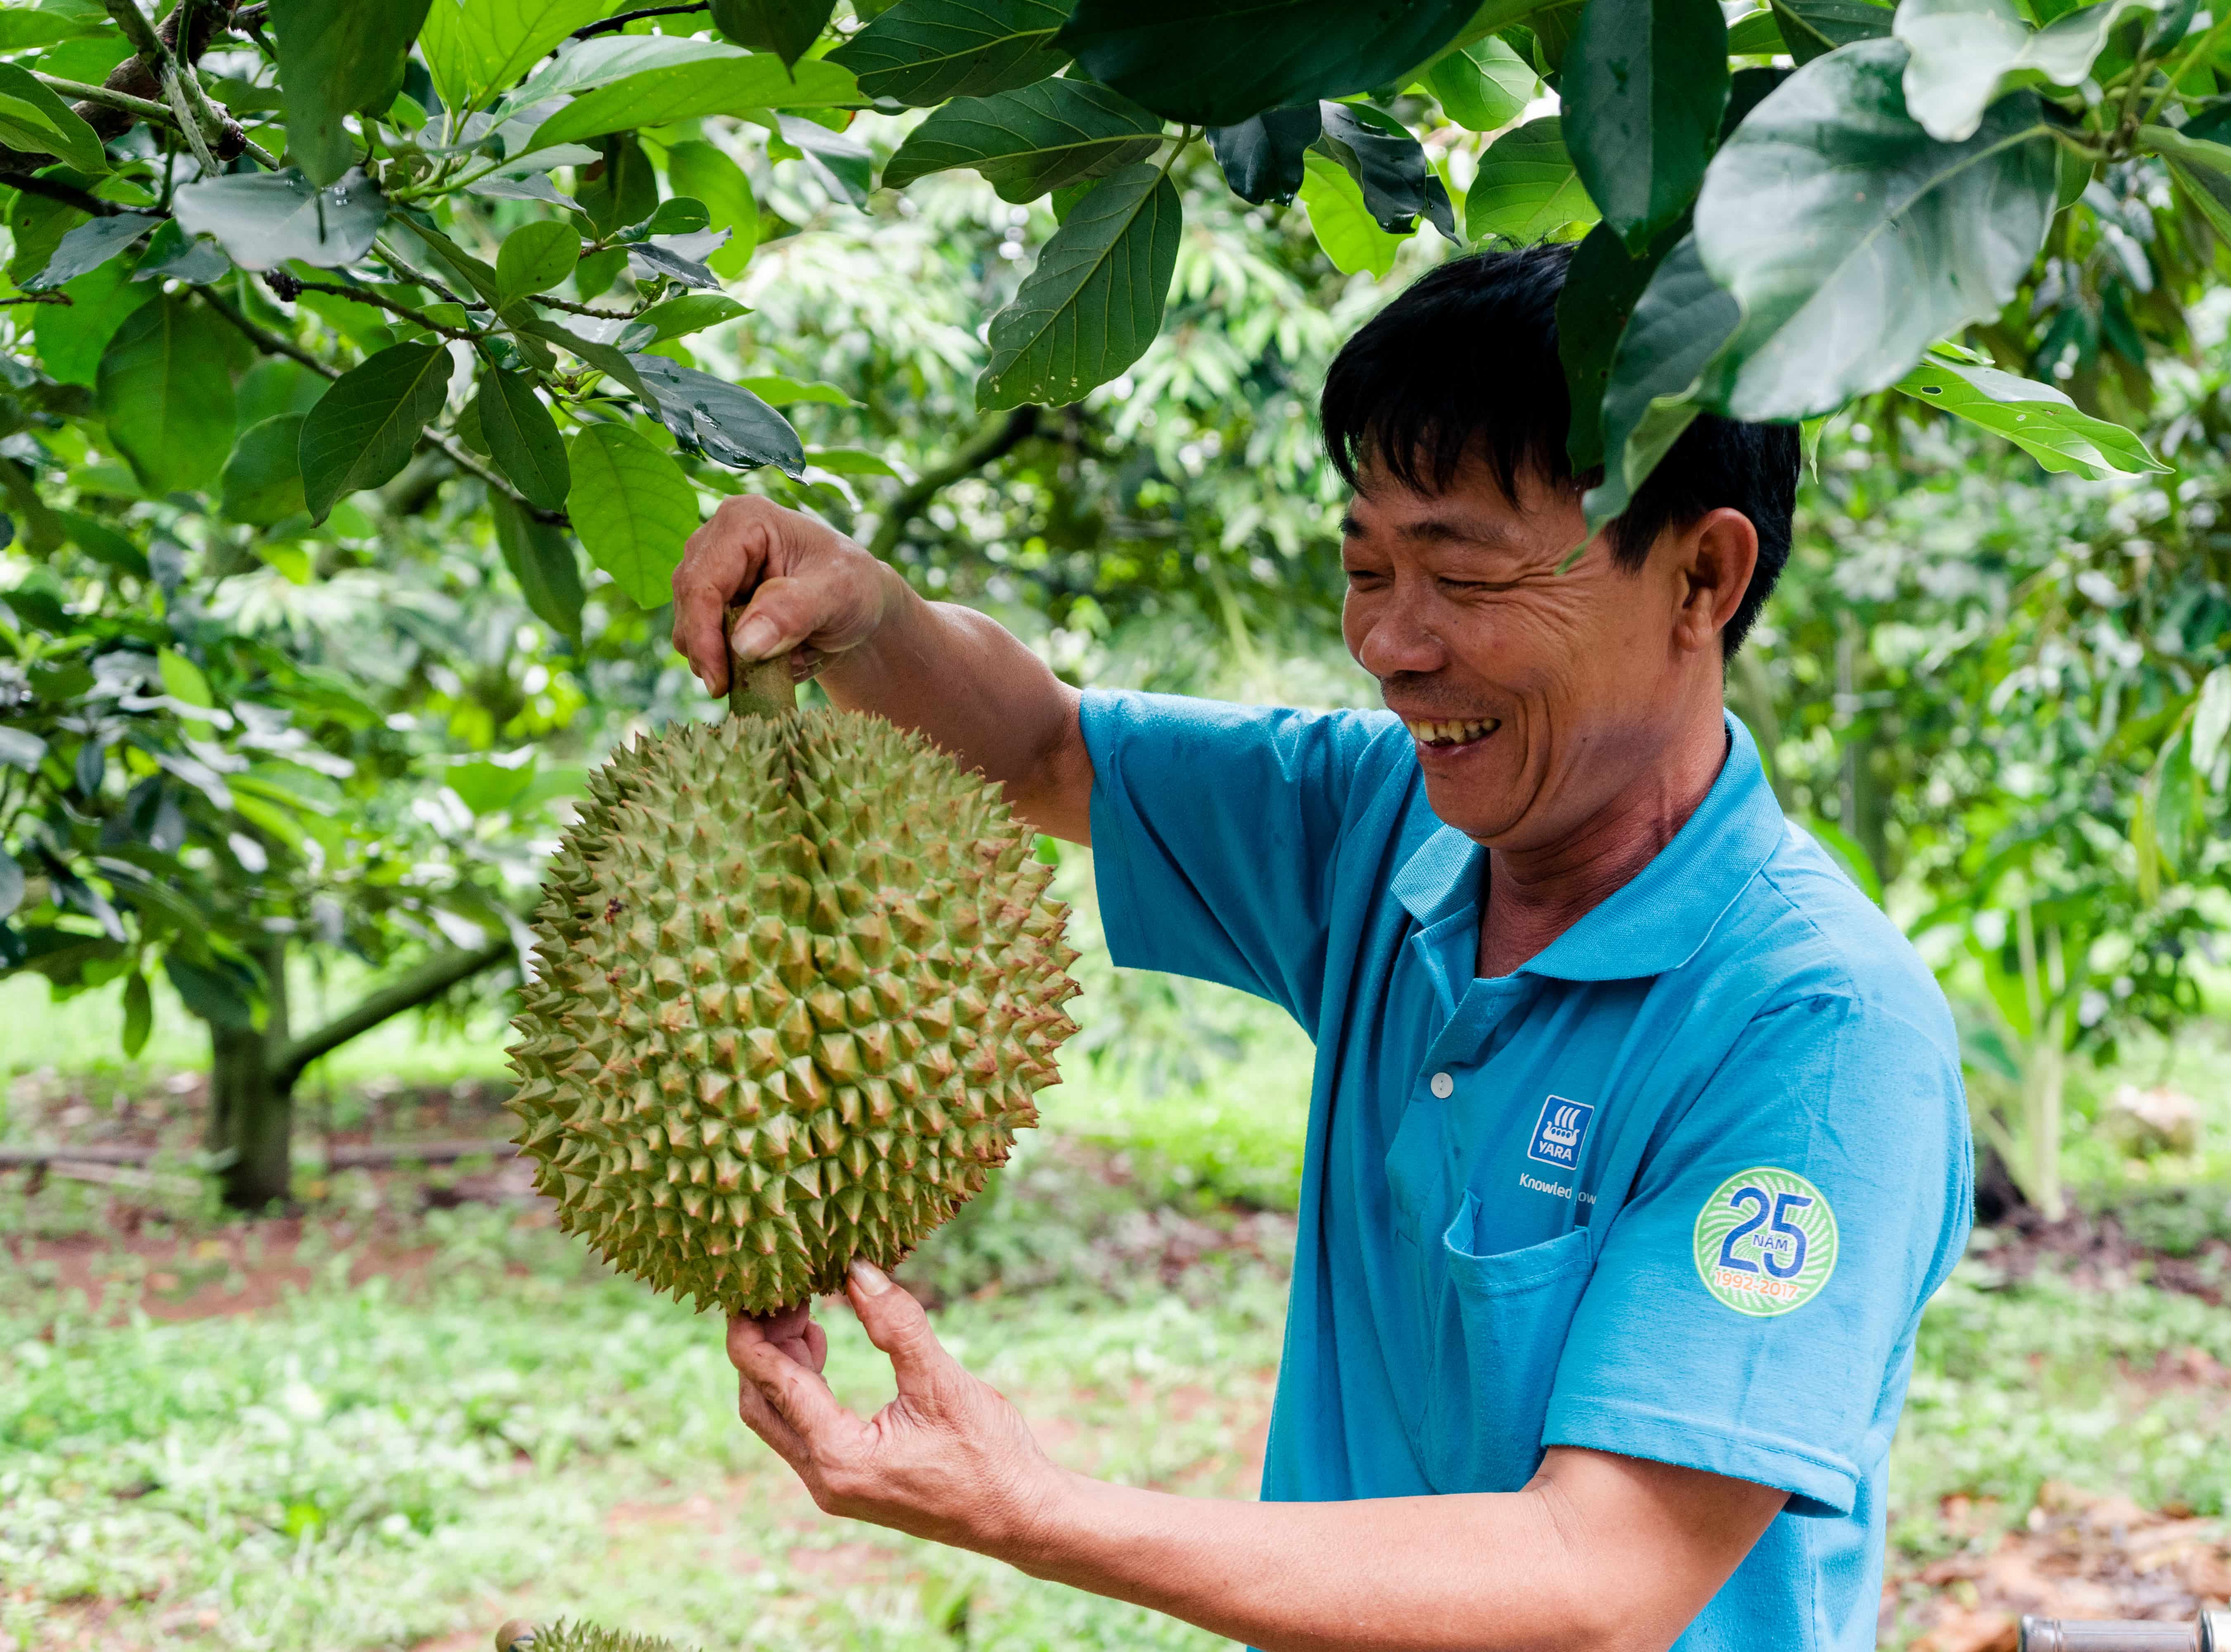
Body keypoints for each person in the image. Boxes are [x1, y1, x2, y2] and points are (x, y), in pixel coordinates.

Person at [671, 243, 1971, 1652]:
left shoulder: (1818, 1031)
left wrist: (1028, 1505)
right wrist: (865, 612)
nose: (1391, 643)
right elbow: (1046, 746)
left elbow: (1600, 1577)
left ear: (1702, 579)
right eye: (1367, 567)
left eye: (1462, 578)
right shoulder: (1384, 826)